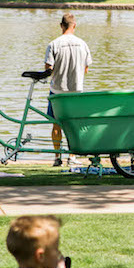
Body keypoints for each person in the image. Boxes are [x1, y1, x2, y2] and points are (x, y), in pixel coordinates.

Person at [44, 13, 92, 166]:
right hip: (76, 91)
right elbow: (86, 69)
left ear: (61, 25)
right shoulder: (83, 44)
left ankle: (57, 157)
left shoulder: (54, 44)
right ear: (74, 25)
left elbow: (48, 68)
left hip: (57, 92)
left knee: (56, 125)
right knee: (73, 125)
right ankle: (72, 157)